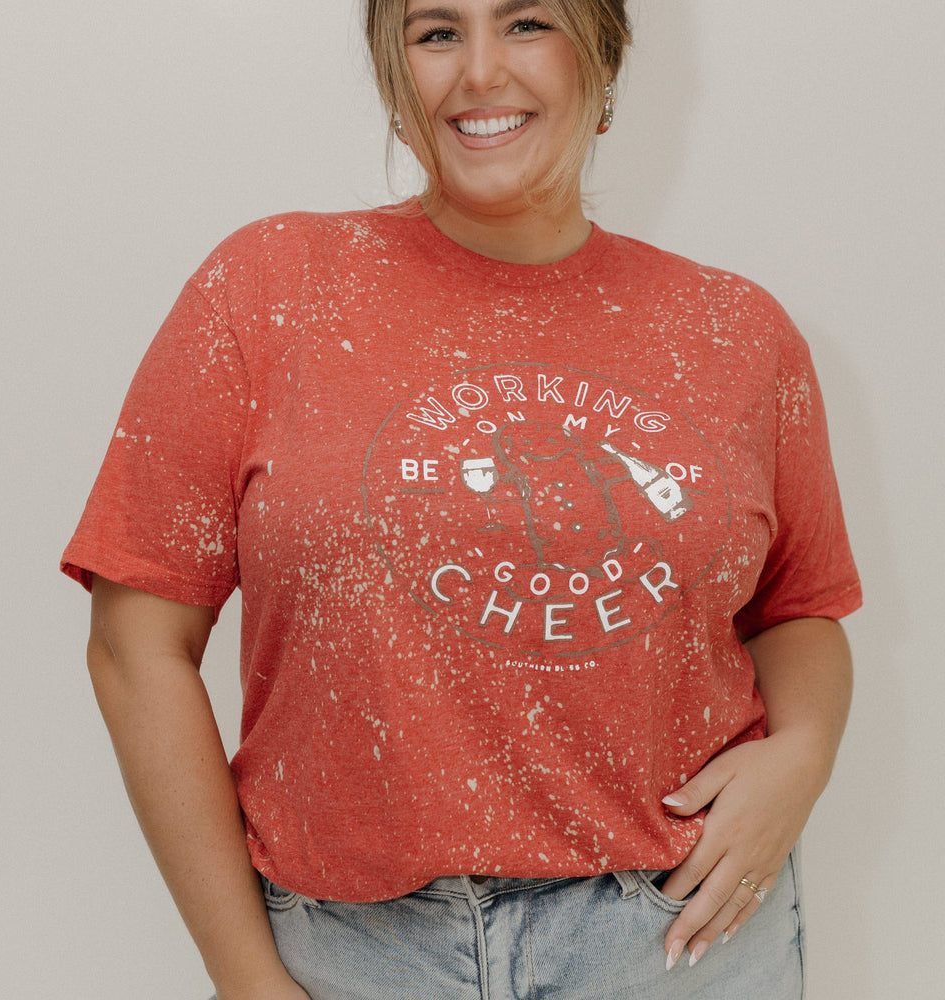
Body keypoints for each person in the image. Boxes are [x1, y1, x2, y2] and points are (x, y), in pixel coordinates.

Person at [62, 1, 861, 997]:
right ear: (395, 80)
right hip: (355, 949)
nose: (480, 72)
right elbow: (134, 645)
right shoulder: (267, 288)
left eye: (527, 23)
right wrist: (245, 977)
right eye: (435, 32)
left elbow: (797, 608)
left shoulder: (737, 330)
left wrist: (804, 753)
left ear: (603, 59)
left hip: (679, 936)